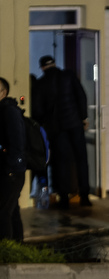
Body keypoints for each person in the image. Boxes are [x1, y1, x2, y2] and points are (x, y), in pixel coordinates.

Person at [32, 55, 91, 209]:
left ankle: (63, 198)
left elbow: (37, 109)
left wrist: (44, 124)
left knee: (61, 162)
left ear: (43, 67)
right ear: (55, 64)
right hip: (75, 124)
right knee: (81, 160)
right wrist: (83, 117)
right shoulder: (69, 75)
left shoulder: (40, 83)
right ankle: (84, 196)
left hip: (57, 128)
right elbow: (81, 96)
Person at [0, 77, 26, 241]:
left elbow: (18, 143)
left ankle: (6, 253)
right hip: (7, 170)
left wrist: (10, 168)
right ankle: (18, 248)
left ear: (3, 92)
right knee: (12, 211)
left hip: (11, 173)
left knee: (2, 213)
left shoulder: (10, 111)